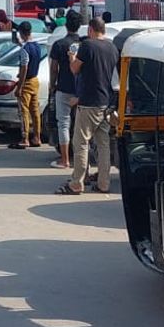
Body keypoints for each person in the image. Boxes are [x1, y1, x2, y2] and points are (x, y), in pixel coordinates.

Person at [56, 16, 118, 196]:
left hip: (89, 103)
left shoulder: (88, 46)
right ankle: (104, 183)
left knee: (81, 143)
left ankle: (76, 183)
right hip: (105, 102)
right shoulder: (112, 48)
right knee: (103, 144)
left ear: (91, 29)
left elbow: (75, 69)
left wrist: (71, 57)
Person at [48, 9, 81, 170]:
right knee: (80, 126)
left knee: (64, 124)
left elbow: (54, 69)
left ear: (66, 25)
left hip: (64, 88)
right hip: (81, 91)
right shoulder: (84, 44)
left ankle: (65, 159)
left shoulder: (59, 44)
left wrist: (52, 86)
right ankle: (81, 161)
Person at [14, 21, 42, 149]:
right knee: (35, 111)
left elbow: (24, 68)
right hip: (35, 80)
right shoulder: (37, 46)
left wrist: (19, 87)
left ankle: (24, 138)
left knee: (24, 111)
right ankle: (37, 137)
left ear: (21, 33)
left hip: (27, 82)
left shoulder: (25, 50)